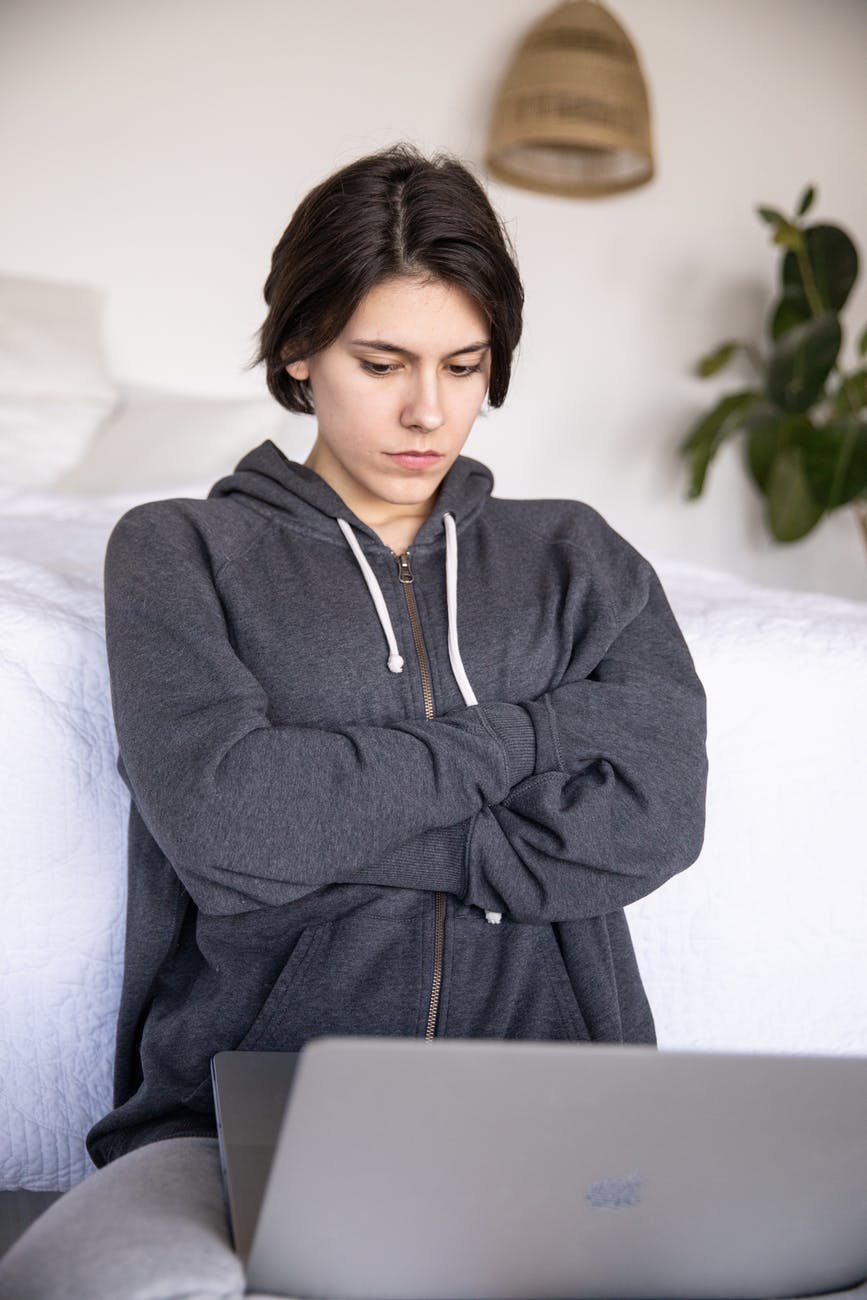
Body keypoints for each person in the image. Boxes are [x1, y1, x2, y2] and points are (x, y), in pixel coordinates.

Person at [0, 141, 708, 1299]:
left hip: (560, 1124)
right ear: (300, 350)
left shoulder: (579, 557)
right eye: (382, 362)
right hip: (238, 1131)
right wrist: (531, 734)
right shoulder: (181, 552)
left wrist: (325, 829)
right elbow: (231, 824)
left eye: (465, 365)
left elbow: (655, 820)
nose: (429, 409)